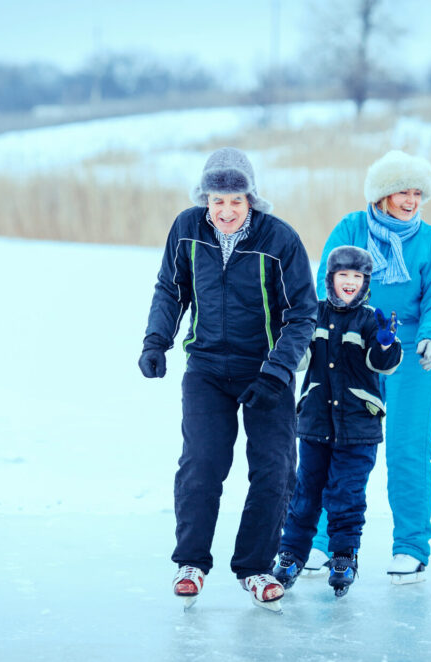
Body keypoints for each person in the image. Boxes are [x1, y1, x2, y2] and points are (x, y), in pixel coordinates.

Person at [138, 147, 317, 611]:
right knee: (201, 464)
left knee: (275, 470)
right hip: (207, 371)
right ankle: (191, 563)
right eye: (217, 200)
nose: (226, 210)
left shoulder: (280, 240)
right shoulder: (187, 229)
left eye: (236, 199)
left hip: (266, 374)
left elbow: (303, 314)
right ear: (205, 200)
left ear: (251, 200)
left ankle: (256, 568)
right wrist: (156, 341)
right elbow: (169, 288)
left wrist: (277, 371)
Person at [312, 150, 431, 584]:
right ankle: (321, 542)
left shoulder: (429, 242)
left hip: (413, 353)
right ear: (382, 195)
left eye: (418, 193)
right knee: (334, 443)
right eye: (403, 192)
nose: (412, 200)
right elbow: (327, 279)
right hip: (352, 346)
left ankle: (411, 546)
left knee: (408, 448)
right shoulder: (351, 230)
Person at [272, 246, 403, 597]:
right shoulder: (312, 314)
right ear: (330, 279)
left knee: (346, 494)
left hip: (359, 428)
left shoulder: (371, 319)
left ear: (365, 282)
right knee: (306, 493)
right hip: (315, 422)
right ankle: (290, 555)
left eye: (357, 277)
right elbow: (299, 361)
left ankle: (344, 555)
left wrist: (387, 343)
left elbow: (383, 364)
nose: (350, 282)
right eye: (343, 275)